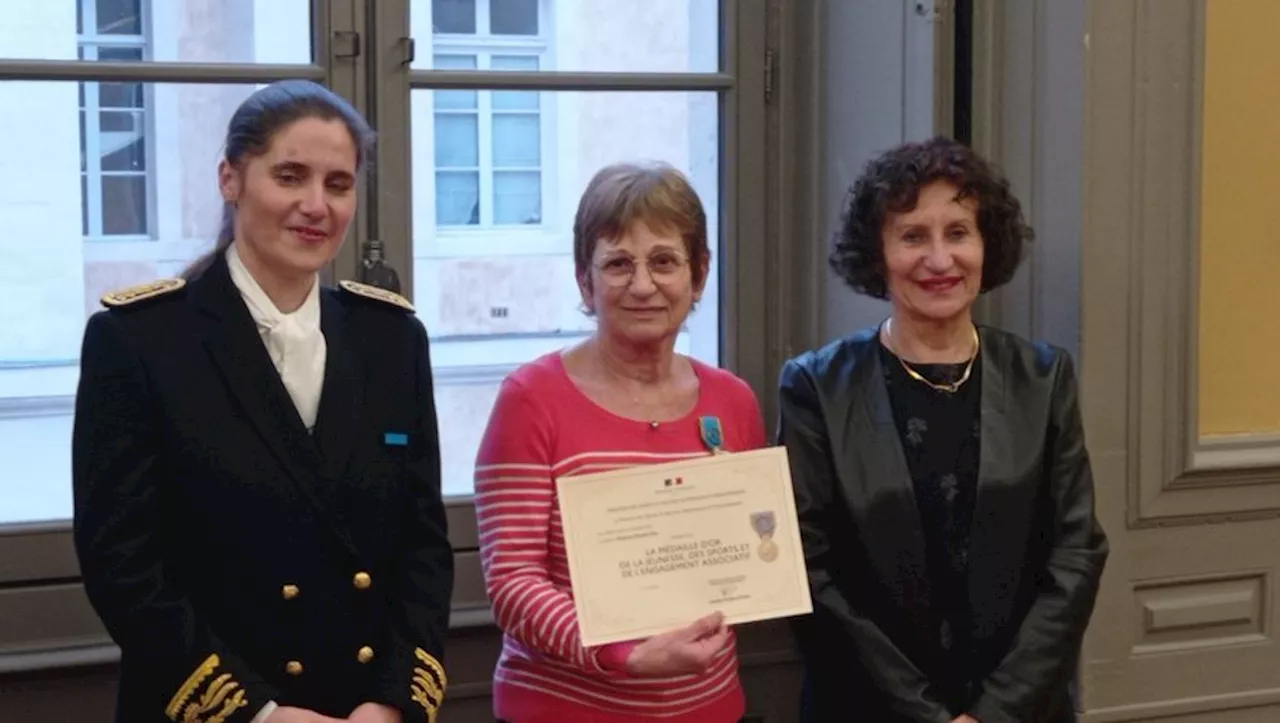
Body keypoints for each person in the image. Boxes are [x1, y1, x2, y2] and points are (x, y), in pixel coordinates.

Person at [72, 80, 453, 723]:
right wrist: (263, 715)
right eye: (289, 175)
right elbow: (124, 566)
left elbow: (424, 547)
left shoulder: (391, 340)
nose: (316, 205)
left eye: (338, 184)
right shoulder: (139, 341)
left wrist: (391, 704)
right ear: (231, 178)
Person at [777, 136, 1109, 723]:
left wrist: (996, 712)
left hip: (1022, 710)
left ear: (987, 245)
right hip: (865, 709)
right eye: (912, 236)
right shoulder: (816, 388)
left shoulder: (1044, 376)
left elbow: (1076, 554)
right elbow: (808, 571)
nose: (938, 259)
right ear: (878, 253)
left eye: (958, 232)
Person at [473, 162, 766, 723]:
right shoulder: (531, 399)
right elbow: (513, 584)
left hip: (709, 710)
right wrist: (623, 655)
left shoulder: (733, 403)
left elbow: (750, 561)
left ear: (699, 275)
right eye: (617, 264)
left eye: (664, 261)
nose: (642, 285)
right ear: (585, 280)